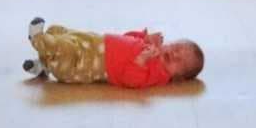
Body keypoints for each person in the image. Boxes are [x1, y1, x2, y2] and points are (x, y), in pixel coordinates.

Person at [24, 18, 204, 88]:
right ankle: (44, 65)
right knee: (60, 32)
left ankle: (38, 39)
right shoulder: (153, 50)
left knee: (65, 51)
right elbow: (126, 38)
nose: (174, 54)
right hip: (95, 42)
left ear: (178, 77)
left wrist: (141, 59)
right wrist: (144, 37)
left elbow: (132, 80)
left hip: (89, 64)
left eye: (179, 61)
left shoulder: (158, 74)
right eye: (176, 48)